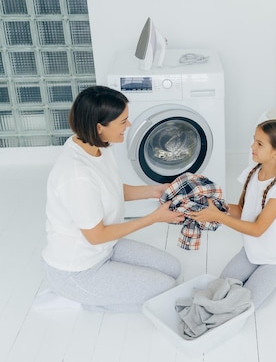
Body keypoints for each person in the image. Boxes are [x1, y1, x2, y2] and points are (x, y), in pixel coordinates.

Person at [41, 86, 185, 313]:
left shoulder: (98, 147)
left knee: (172, 268)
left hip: (106, 249)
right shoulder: (77, 176)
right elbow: (96, 236)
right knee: (166, 289)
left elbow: (109, 190)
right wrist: (153, 218)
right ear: (99, 127)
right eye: (122, 121)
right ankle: (78, 298)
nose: (128, 126)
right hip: (78, 269)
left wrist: (154, 191)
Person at [189, 119, 276, 309]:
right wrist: (214, 206)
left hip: (275, 259)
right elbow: (242, 211)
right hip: (250, 253)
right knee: (219, 289)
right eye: (253, 141)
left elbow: (257, 229)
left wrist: (218, 216)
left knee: (243, 305)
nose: (252, 146)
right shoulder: (252, 173)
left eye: (259, 144)